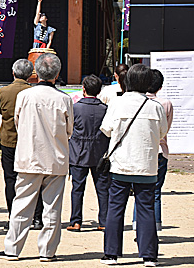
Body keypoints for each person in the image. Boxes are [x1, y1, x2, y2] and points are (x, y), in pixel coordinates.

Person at [0, 53, 73, 262]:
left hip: (29, 156)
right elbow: (69, 130)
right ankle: (47, 251)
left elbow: (18, 122)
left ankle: (12, 249)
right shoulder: (65, 99)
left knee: (22, 204)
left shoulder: (25, 96)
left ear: (35, 73)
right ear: (57, 74)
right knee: (52, 207)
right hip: (56, 158)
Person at [99, 64, 168, 267]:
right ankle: (149, 256)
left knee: (115, 208)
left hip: (121, 165)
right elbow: (162, 132)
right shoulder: (155, 106)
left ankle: (111, 254)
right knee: (146, 208)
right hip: (147, 165)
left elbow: (106, 129)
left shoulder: (117, 104)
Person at [0, 59, 44, 229]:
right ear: (31, 75)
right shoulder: (35, 93)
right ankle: (37, 218)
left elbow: (0, 111)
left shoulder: (3, 92)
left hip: (8, 139)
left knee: (10, 180)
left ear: (13, 72)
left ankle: (13, 218)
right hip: (30, 141)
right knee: (34, 178)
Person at [132, 69, 174, 232]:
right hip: (159, 149)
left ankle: (137, 224)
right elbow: (166, 129)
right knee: (155, 191)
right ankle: (155, 226)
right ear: (160, 86)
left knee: (139, 189)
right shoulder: (166, 104)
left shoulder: (136, 102)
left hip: (140, 150)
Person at [66, 74, 109, 232]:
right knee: (103, 188)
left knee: (77, 188)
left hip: (78, 152)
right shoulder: (105, 109)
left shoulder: (75, 108)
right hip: (100, 152)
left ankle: (76, 221)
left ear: (83, 89)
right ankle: (103, 221)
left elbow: (69, 128)